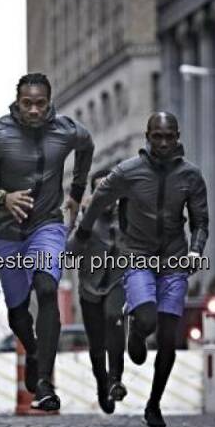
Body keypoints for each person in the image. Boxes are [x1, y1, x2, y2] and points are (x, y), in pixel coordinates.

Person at [70, 112, 208, 427]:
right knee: (146, 318)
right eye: (156, 136)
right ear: (147, 136)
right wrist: (81, 234)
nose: (162, 143)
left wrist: (195, 251)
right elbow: (98, 200)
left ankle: (154, 404)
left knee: (170, 338)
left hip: (173, 259)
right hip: (138, 255)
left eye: (169, 136)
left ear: (177, 137)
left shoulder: (191, 176)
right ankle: (136, 330)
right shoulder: (128, 172)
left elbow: (201, 222)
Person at [0, 72, 94, 411]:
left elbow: (87, 147)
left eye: (41, 103)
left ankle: (44, 382)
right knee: (17, 314)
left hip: (47, 225)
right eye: (28, 104)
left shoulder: (66, 130)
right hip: (9, 233)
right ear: (18, 103)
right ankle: (35, 352)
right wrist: (1, 197)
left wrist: (76, 193)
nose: (35, 111)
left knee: (47, 286)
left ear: (49, 102)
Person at [76, 168, 127, 414]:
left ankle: (116, 378)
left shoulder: (126, 216)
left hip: (117, 282)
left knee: (114, 317)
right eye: (99, 190)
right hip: (89, 287)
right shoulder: (85, 219)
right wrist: (81, 220)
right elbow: (69, 251)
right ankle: (102, 383)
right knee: (96, 344)